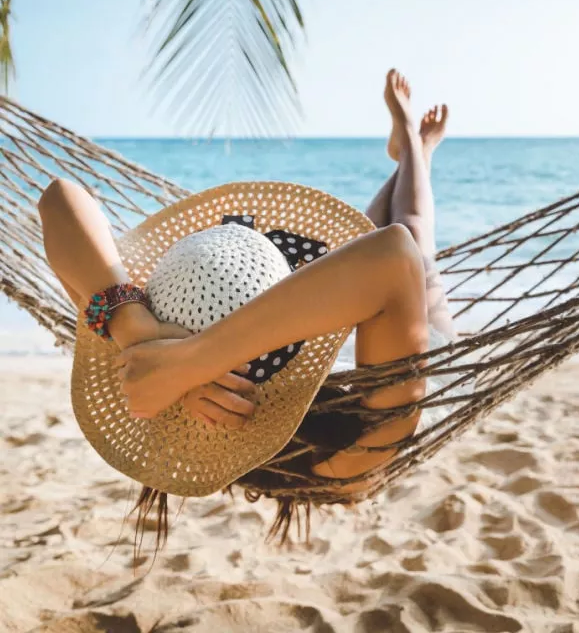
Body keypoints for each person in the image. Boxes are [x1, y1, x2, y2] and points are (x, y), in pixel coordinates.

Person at [38, 69, 453, 540]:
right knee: (416, 232)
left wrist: (139, 333)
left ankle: (409, 153)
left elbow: (57, 200)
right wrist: (186, 365)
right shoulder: (351, 456)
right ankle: (417, 151)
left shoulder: (140, 373)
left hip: (322, 306)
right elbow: (394, 255)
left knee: (373, 229)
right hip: (416, 357)